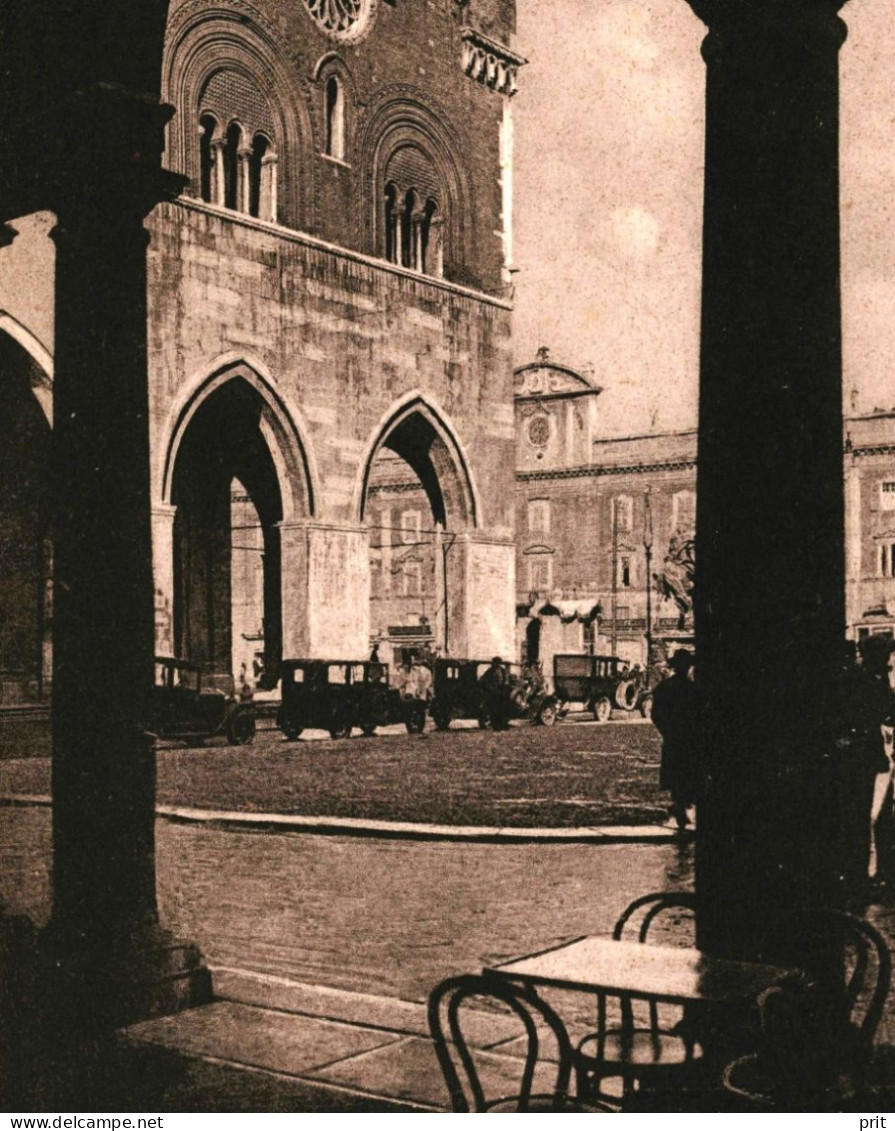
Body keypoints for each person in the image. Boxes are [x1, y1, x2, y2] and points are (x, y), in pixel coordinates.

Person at [835, 634, 895, 890]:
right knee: (859, 817)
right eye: (885, 656)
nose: (887, 662)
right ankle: (857, 876)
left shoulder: (870, 678)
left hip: (868, 757)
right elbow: (884, 712)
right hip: (859, 758)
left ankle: (864, 872)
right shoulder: (862, 680)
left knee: (864, 816)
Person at [650, 649, 699, 831]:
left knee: (677, 774)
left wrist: (667, 731)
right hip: (689, 739)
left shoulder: (664, 688)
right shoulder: (693, 690)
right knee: (688, 773)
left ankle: (679, 809)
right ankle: (683, 810)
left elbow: (656, 714)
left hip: (673, 738)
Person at [480, 656, 511, 731]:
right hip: (492, 693)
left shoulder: (502, 670)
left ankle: (502, 725)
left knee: (501, 710)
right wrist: (490, 689)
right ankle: (496, 727)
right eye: (496, 662)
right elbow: (484, 681)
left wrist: (504, 686)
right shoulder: (490, 671)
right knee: (494, 711)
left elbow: (505, 680)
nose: (497, 664)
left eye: (498, 663)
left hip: (501, 693)